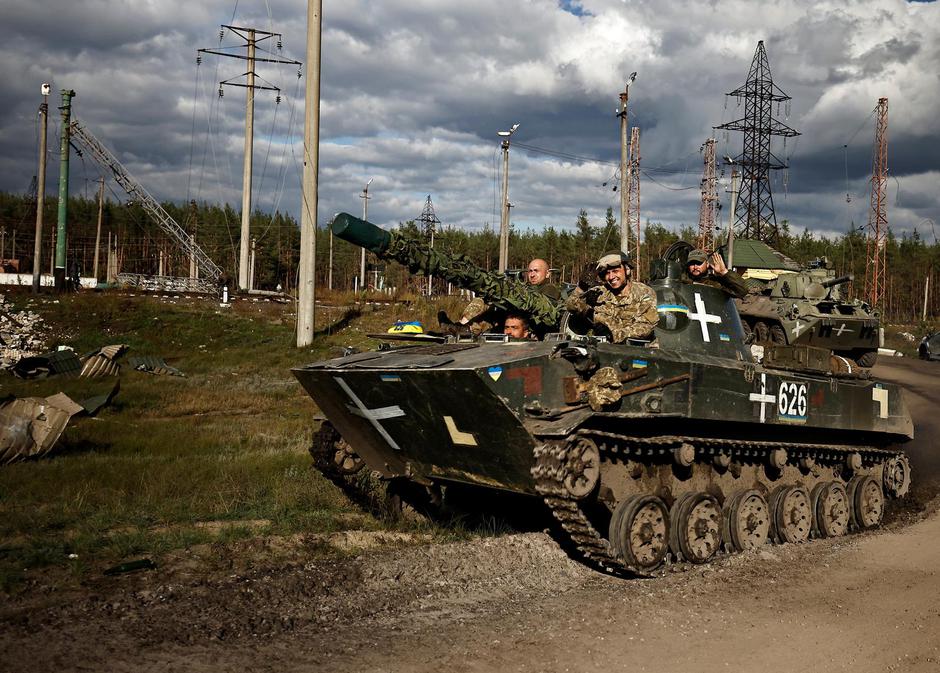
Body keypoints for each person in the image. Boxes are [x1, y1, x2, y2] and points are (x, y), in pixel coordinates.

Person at [565, 251, 658, 343]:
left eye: (615, 271)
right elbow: (571, 307)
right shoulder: (599, 293)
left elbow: (645, 327)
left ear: (627, 270)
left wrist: (613, 335)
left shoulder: (644, 292)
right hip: (606, 349)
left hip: (639, 349)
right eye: (607, 273)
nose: (611, 277)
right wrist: (581, 288)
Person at [683, 249, 750, 298]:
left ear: (707, 264)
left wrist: (724, 272)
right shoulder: (682, 281)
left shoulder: (717, 282)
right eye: (691, 263)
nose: (695, 267)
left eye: (699, 263)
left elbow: (742, 291)